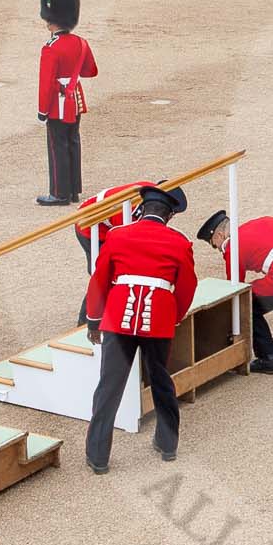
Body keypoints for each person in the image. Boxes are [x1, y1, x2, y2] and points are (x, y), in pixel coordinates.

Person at [83, 183, 196, 470]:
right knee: (160, 382)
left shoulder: (118, 235)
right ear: (169, 216)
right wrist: (174, 316)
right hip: (157, 318)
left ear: (141, 209)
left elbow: (99, 279)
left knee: (109, 386)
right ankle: (167, 444)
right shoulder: (179, 242)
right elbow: (186, 286)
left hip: (119, 317)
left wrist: (94, 320)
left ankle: (98, 456)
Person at [196, 209, 273, 374]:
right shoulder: (265, 221)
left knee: (247, 303)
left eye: (214, 244)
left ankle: (267, 358)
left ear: (219, 235)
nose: (218, 248)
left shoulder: (232, 248)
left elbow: (236, 287)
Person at [36, 0, 98, 206]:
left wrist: (42, 110)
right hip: (75, 100)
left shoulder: (51, 48)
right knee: (73, 142)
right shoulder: (81, 43)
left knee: (57, 145)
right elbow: (90, 71)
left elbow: (46, 84)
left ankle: (59, 193)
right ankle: (73, 190)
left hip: (58, 104)